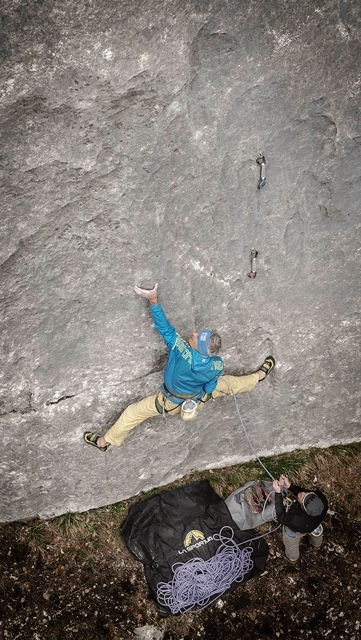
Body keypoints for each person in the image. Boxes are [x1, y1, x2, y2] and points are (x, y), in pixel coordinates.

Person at [84, 283, 275, 451]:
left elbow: (165, 328)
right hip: (197, 397)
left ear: (198, 347)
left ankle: (104, 442)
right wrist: (205, 393)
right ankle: (259, 376)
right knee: (228, 384)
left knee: (132, 413)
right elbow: (210, 386)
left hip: (169, 401)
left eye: (195, 337)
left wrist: (153, 301)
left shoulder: (181, 349)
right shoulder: (217, 363)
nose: (192, 333)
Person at [273, 474, 328, 562]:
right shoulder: (322, 499)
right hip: (315, 523)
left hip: (298, 530)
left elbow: (281, 516)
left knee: (290, 538)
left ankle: (293, 557)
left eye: (302, 498)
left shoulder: (296, 521)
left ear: (303, 509)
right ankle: (316, 543)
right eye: (307, 494)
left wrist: (278, 493)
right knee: (315, 527)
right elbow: (305, 493)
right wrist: (290, 486)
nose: (302, 493)